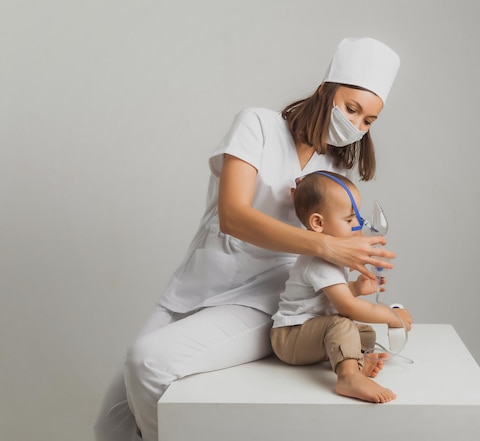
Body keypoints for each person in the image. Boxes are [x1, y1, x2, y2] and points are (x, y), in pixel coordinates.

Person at [94, 37, 401, 441]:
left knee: (147, 363)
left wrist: (360, 267)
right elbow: (233, 216)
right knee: (112, 424)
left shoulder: (332, 168)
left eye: (368, 121)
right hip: (199, 280)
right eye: (351, 109)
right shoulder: (257, 125)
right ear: (327, 91)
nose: (356, 126)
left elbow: (335, 239)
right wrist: (328, 246)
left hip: (265, 297)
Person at [270, 171, 412, 403]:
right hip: (289, 337)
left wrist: (355, 287)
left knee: (364, 333)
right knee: (343, 324)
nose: (358, 225)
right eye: (349, 220)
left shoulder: (332, 259)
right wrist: (391, 316)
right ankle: (348, 377)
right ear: (318, 223)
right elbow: (347, 308)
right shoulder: (318, 260)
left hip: (310, 332)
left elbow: (325, 295)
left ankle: (354, 362)